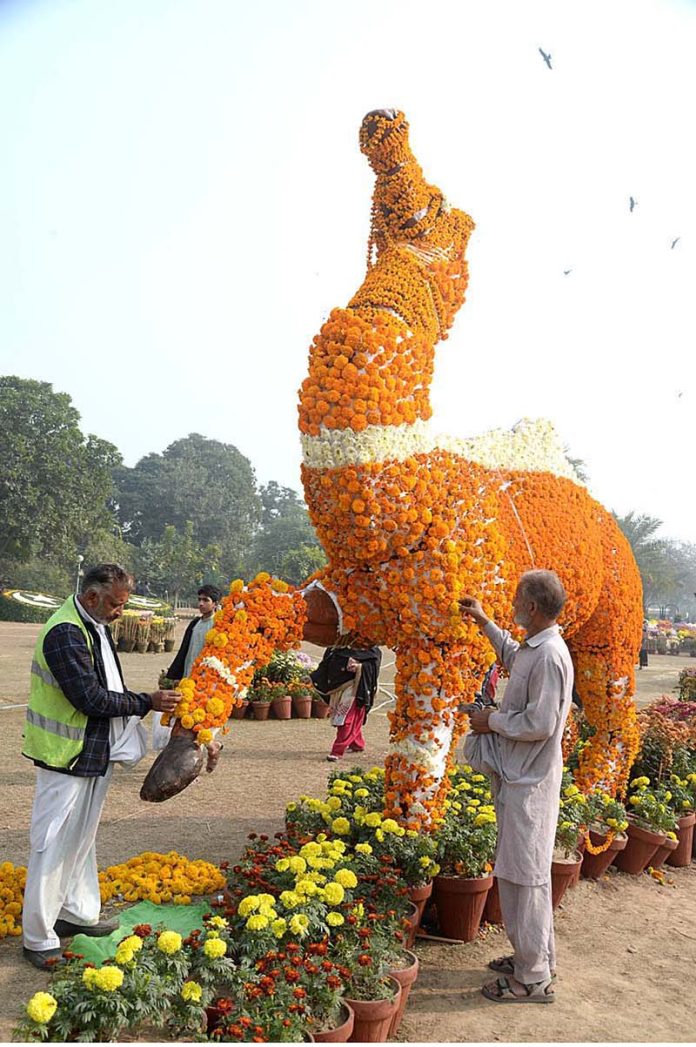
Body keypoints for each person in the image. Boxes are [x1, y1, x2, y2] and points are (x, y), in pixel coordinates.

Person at [21, 563, 181, 970]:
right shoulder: (65, 632)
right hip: (65, 756)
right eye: (115, 603)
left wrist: (138, 704)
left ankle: (76, 912)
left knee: (82, 837)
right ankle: (38, 936)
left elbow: (108, 689)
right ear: (92, 596)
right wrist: (147, 701)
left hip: (93, 751)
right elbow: (89, 699)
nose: (119, 612)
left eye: (123, 604)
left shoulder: (95, 626)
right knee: (53, 841)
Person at [459, 569, 574, 1005]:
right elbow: (513, 657)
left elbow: (542, 724)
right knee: (526, 874)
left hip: (530, 781)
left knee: (522, 876)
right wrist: (485, 621)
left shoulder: (549, 656)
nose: (511, 602)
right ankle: (535, 958)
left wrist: (492, 721)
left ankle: (532, 980)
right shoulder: (534, 648)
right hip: (519, 775)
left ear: (531, 606)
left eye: (515, 598)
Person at [310, 646, 382, 761]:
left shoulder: (370, 649)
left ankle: (337, 751)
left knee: (347, 719)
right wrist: (313, 677)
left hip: (355, 688)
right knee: (348, 718)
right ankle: (357, 744)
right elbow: (326, 663)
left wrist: (359, 667)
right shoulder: (335, 646)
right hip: (338, 688)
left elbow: (373, 665)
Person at [165, 584, 222, 682]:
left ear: (215, 604)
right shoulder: (195, 623)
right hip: (188, 674)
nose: (201, 603)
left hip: (206, 678)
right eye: (199, 599)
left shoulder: (219, 625)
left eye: (205, 600)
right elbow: (184, 651)